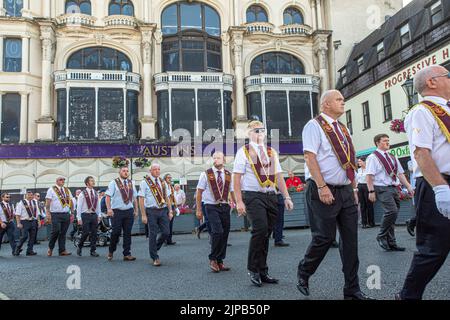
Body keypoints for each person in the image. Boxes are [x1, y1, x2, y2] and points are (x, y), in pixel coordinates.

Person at [297, 90, 372, 300]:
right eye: (338, 99)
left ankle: (352, 289)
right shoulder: (314, 126)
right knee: (325, 237)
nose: (343, 102)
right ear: (325, 105)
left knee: (350, 240)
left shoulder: (342, 128)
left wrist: (354, 187)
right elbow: (310, 158)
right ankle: (304, 270)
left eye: (342, 98)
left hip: (345, 189)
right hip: (323, 188)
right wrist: (322, 187)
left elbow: (349, 160)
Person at [397, 65, 450, 300]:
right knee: (433, 249)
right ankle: (408, 296)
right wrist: (440, 188)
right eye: (447, 76)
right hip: (436, 182)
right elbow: (421, 153)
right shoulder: (422, 111)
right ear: (432, 82)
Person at [233, 120, 294, 287]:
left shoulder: (271, 151)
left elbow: (279, 175)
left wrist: (286, 196)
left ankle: (263, 270)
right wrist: (239, 201)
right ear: (249, 134)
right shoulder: (243, 151)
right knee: (259, 230)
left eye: (262, 130)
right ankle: (253, 269)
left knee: (266, 233)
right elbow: (236, 177)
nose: (259, 133)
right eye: (255, 130)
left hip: (271, 195)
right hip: (253, 196)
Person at [366, 134, 414, 252]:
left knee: (393, 215)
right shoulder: (373, 157)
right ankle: (381, 235)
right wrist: (371, 191)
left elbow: (400, 173)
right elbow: (369, 176)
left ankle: (392, 243)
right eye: (385, 141)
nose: (388, 142)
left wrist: (408, 186)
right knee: (391, 211)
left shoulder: (392, 156)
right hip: (382, 188)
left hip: (393, 187)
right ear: (377, 143)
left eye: (388, 140)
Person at [196, 152, 236, 272]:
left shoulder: (229, 174)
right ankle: (213, 259)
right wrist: (198, 209)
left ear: (224, 160)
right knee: (217, 231)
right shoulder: (206, 174)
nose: (215, 160)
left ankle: (220, 261)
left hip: (224, 206)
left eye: (218, 158)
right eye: (214, 158)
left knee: (225, 233)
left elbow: (232, 191)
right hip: (210, 206)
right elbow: (199, 192)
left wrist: (236, 203)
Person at [138, 163, 173, 266]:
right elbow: (141, 198)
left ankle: (154, 248)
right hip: (151, 211)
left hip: (163, 210)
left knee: (166, 232)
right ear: (150, 171)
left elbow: (167, 197)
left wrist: (170, 210)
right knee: (153, 234)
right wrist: (143, 215)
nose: (157, 171)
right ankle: (155, 257)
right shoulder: (145, 182)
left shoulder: (163, 182)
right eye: (155, 169)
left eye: (158, 169)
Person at [106, 165, 138, 261]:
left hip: (129, 211)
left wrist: (136, 210)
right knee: (116, 232)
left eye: (127, 171)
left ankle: (127, 254)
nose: (126, 172)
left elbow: (134, 198)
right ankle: (111, 250)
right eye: (123, 171)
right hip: (117, 212)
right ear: (119, 172)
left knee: (128, 233)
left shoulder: (131, 183)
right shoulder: (113, 183)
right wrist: (109, 209)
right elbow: (107, 196)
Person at [45, 177, 75, 257]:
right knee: (56, 231)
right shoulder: (51, 189)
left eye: (64, 180)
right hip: (55, 214)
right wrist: (47, 213)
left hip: (65, 213)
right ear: (57, 181)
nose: (63, 181)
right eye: (61, 180)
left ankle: (62, 250)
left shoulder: (67, 190)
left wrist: (72, 212)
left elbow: (71, 201)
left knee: (63, 233)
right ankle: (50, 248)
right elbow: (48, 202)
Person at [76, 176, 102, 257]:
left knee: (94, 233)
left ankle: (93, 250)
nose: (93, 182)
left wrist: (99, 215)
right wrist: (79, 218)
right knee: (86, 232)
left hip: (94, 215)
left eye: (93, 180)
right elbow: (79, 206)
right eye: (91, 181)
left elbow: (98, 205)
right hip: (85, 215)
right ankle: (80, 246)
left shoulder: (95, 193)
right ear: (87, 183)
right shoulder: (82, 194)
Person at [14, 191, 41, 256]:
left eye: (31, 195)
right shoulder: (21, 203)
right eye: (29, 195)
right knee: (24, 236)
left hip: (33, 221)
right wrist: (18, 223)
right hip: (25, 221)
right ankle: (17, 249)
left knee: (32, 237)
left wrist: (39, 221)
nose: (30, 196)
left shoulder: (35, 202)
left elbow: (37, 213)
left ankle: (29, 251)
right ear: (26, 196)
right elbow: (17, 214)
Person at [356, 158, 375, 228]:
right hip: (360, 186)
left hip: (367, 186)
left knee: (369, 204)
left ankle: (371, 222)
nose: (359, 163)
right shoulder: (358, 170)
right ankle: (364, 222)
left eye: (360, 161)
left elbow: (372, 178)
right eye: (358, 162)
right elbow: (356, 179)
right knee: (362, 205)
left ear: (364, 162)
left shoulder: (368, 169)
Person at [164, 173, 177, 245]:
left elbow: (173, 197)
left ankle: (169, 240)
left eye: (170, 178)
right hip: (165, 207)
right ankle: (165, 239)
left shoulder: (171, 187)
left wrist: (175, 207)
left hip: (171, 205)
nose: (170, 179)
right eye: (168, 178)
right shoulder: (164, 186)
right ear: (165, 179)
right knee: (166, 224)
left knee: (170, 224)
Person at [405, 159, 417, 237]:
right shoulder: (410, 162)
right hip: (416, 186)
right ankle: (412, 221)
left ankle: (412, 221)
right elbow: (411, 169)